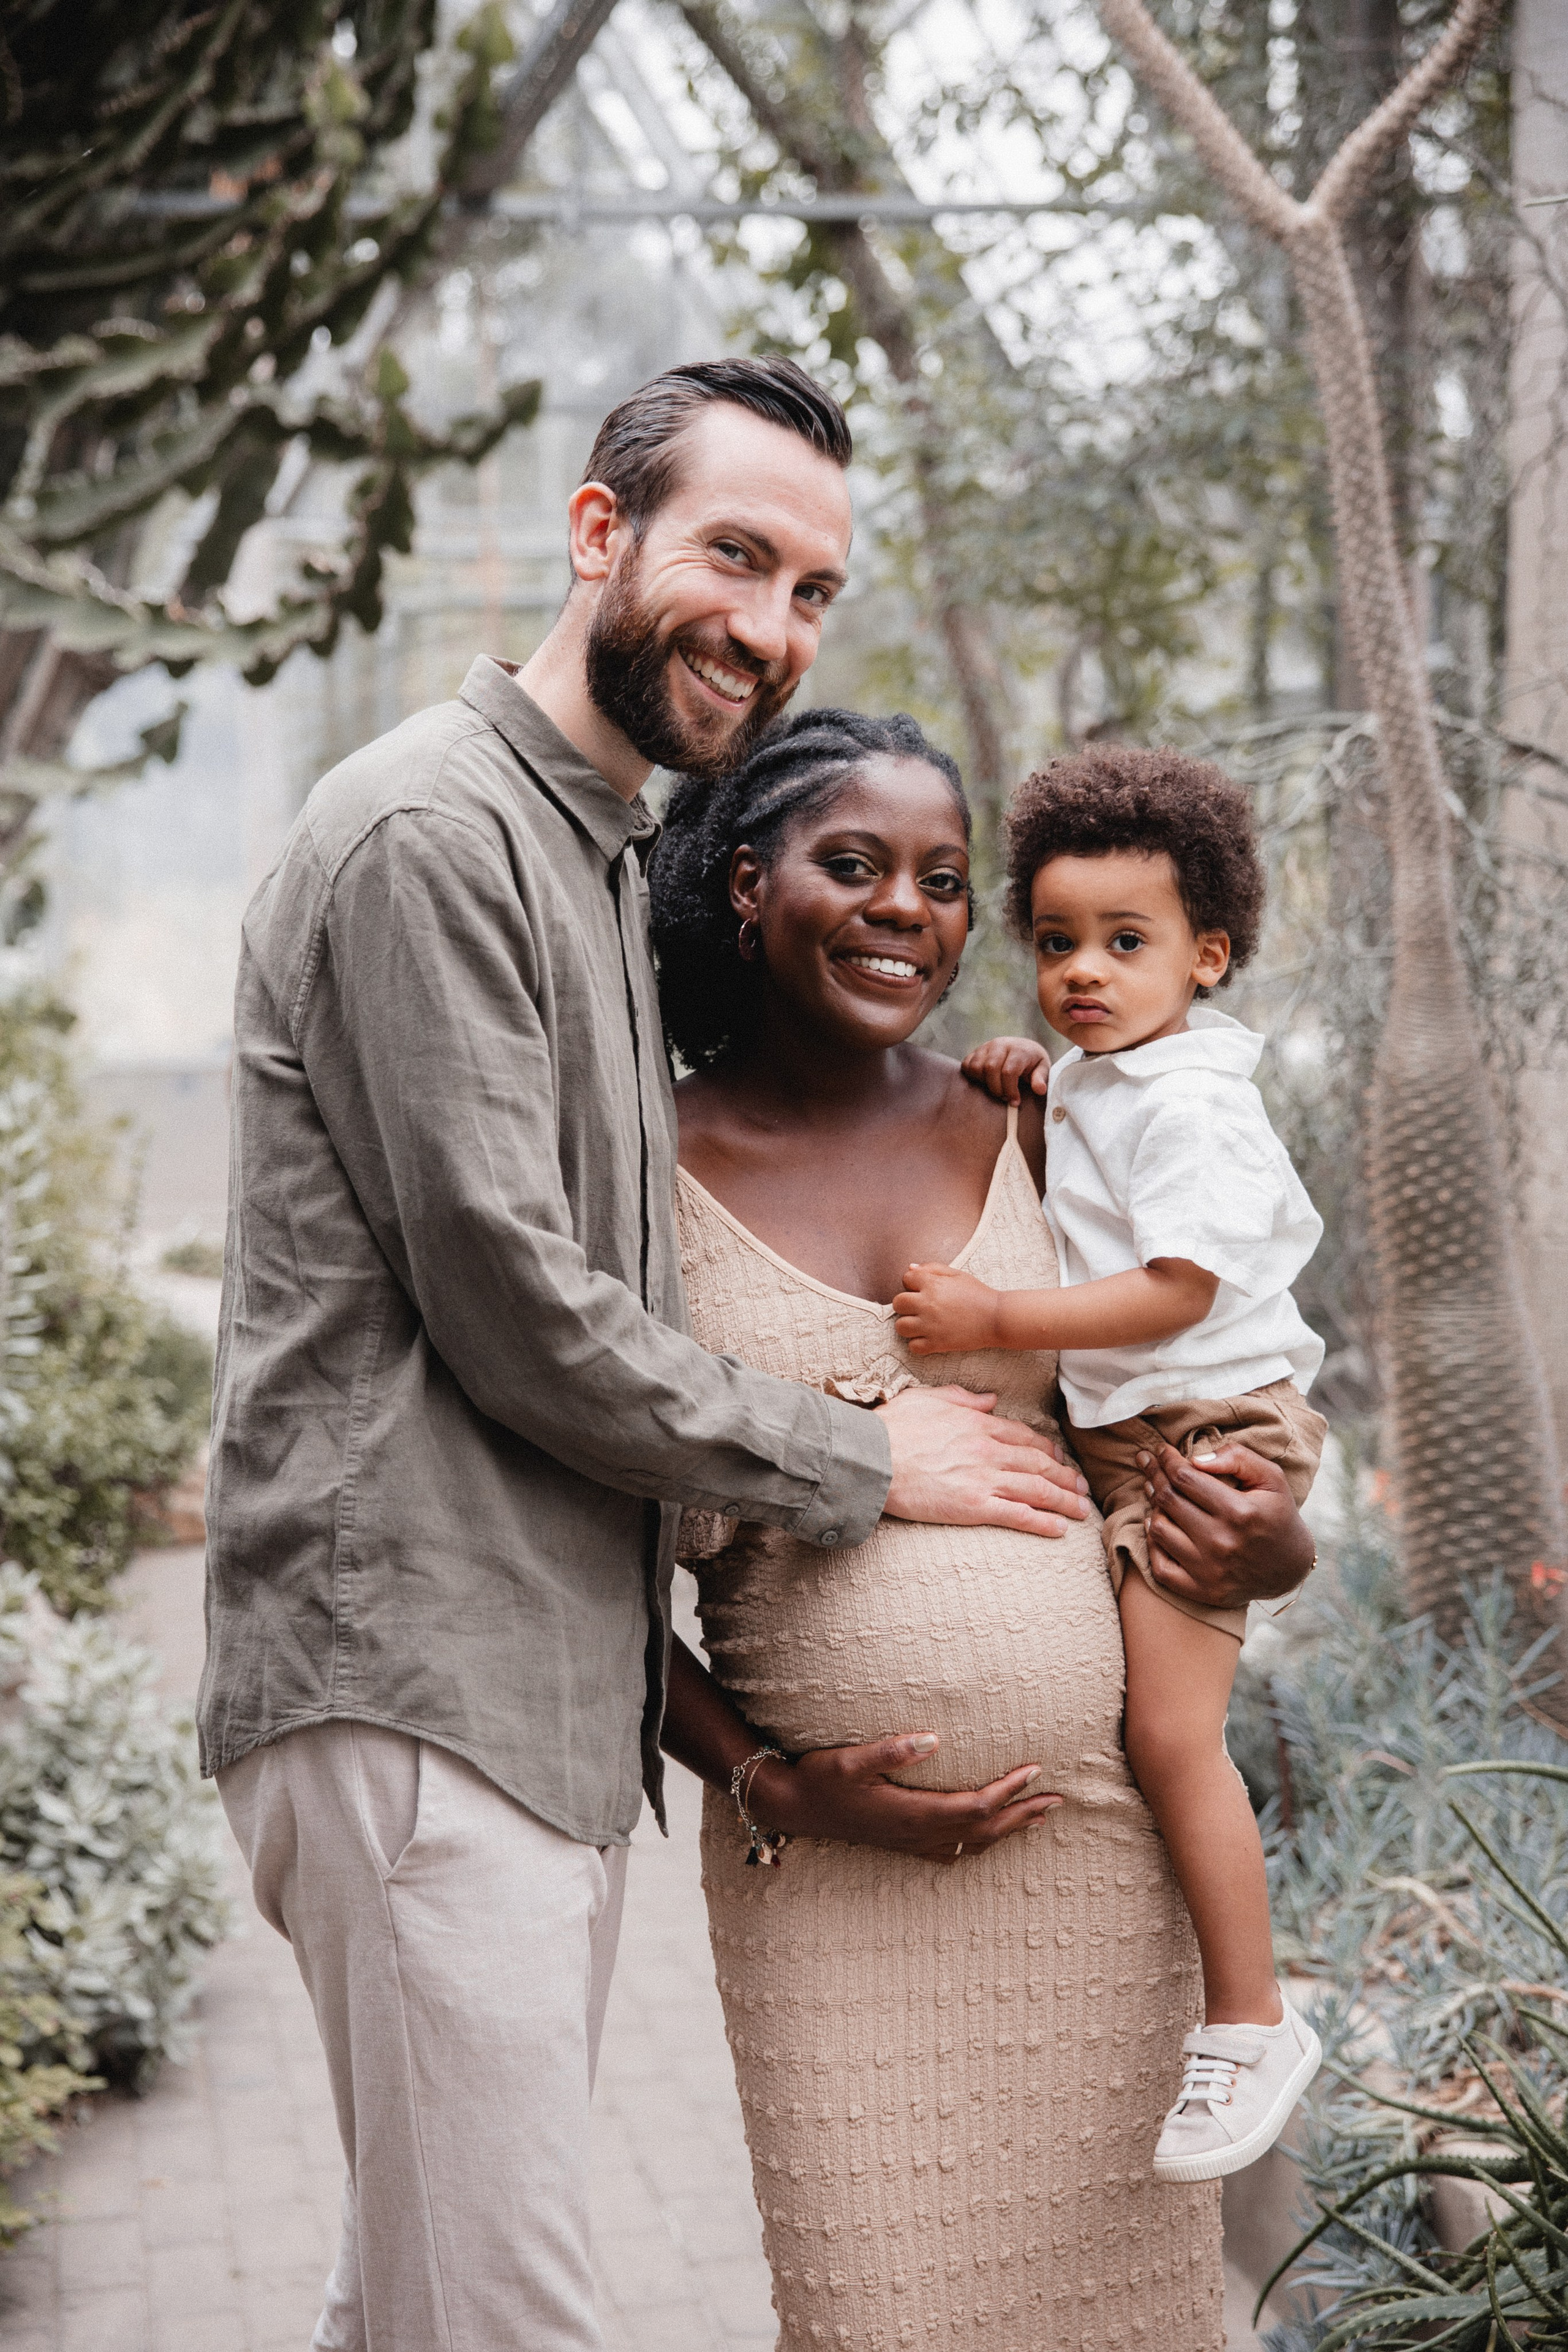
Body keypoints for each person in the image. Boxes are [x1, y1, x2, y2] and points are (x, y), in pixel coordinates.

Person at [198, 358, 1099, 2352]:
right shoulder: (431, 838)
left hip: (525, 1714)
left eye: (813, 594)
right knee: (509, 2321)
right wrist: (884, 1462)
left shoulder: (591, 853)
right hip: (421, 1693)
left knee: (418, 2306)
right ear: (600, 535)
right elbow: (522, 1313)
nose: (770, 630)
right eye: (737, 558)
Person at [649, 710, 1320, 2351]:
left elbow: (1171, 1417)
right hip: (826, 1876)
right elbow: (570, 1549)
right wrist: (766, 1778)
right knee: (877, 2311)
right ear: (749, 883)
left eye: (944, 882)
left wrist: (1273, 1546)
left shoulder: (1036, 1121)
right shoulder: (641, 1161)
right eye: (854, 864)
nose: (906, 911)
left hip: (1098, 1853)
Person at [895, 746, 1327, 2182]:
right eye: (1059, 943)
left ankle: (1253, 2024)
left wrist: (996, 1319)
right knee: (1138, 1727)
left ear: (1206, 956)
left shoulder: (1192, 1105)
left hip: (1207, 1445)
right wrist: (1031, 1093)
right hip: (1139, 1436)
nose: (1083, 972)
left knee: (1169, 1738)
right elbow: (1072, 1162)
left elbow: (1173, 1291)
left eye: (1125, 944)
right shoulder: (1106, 1077)